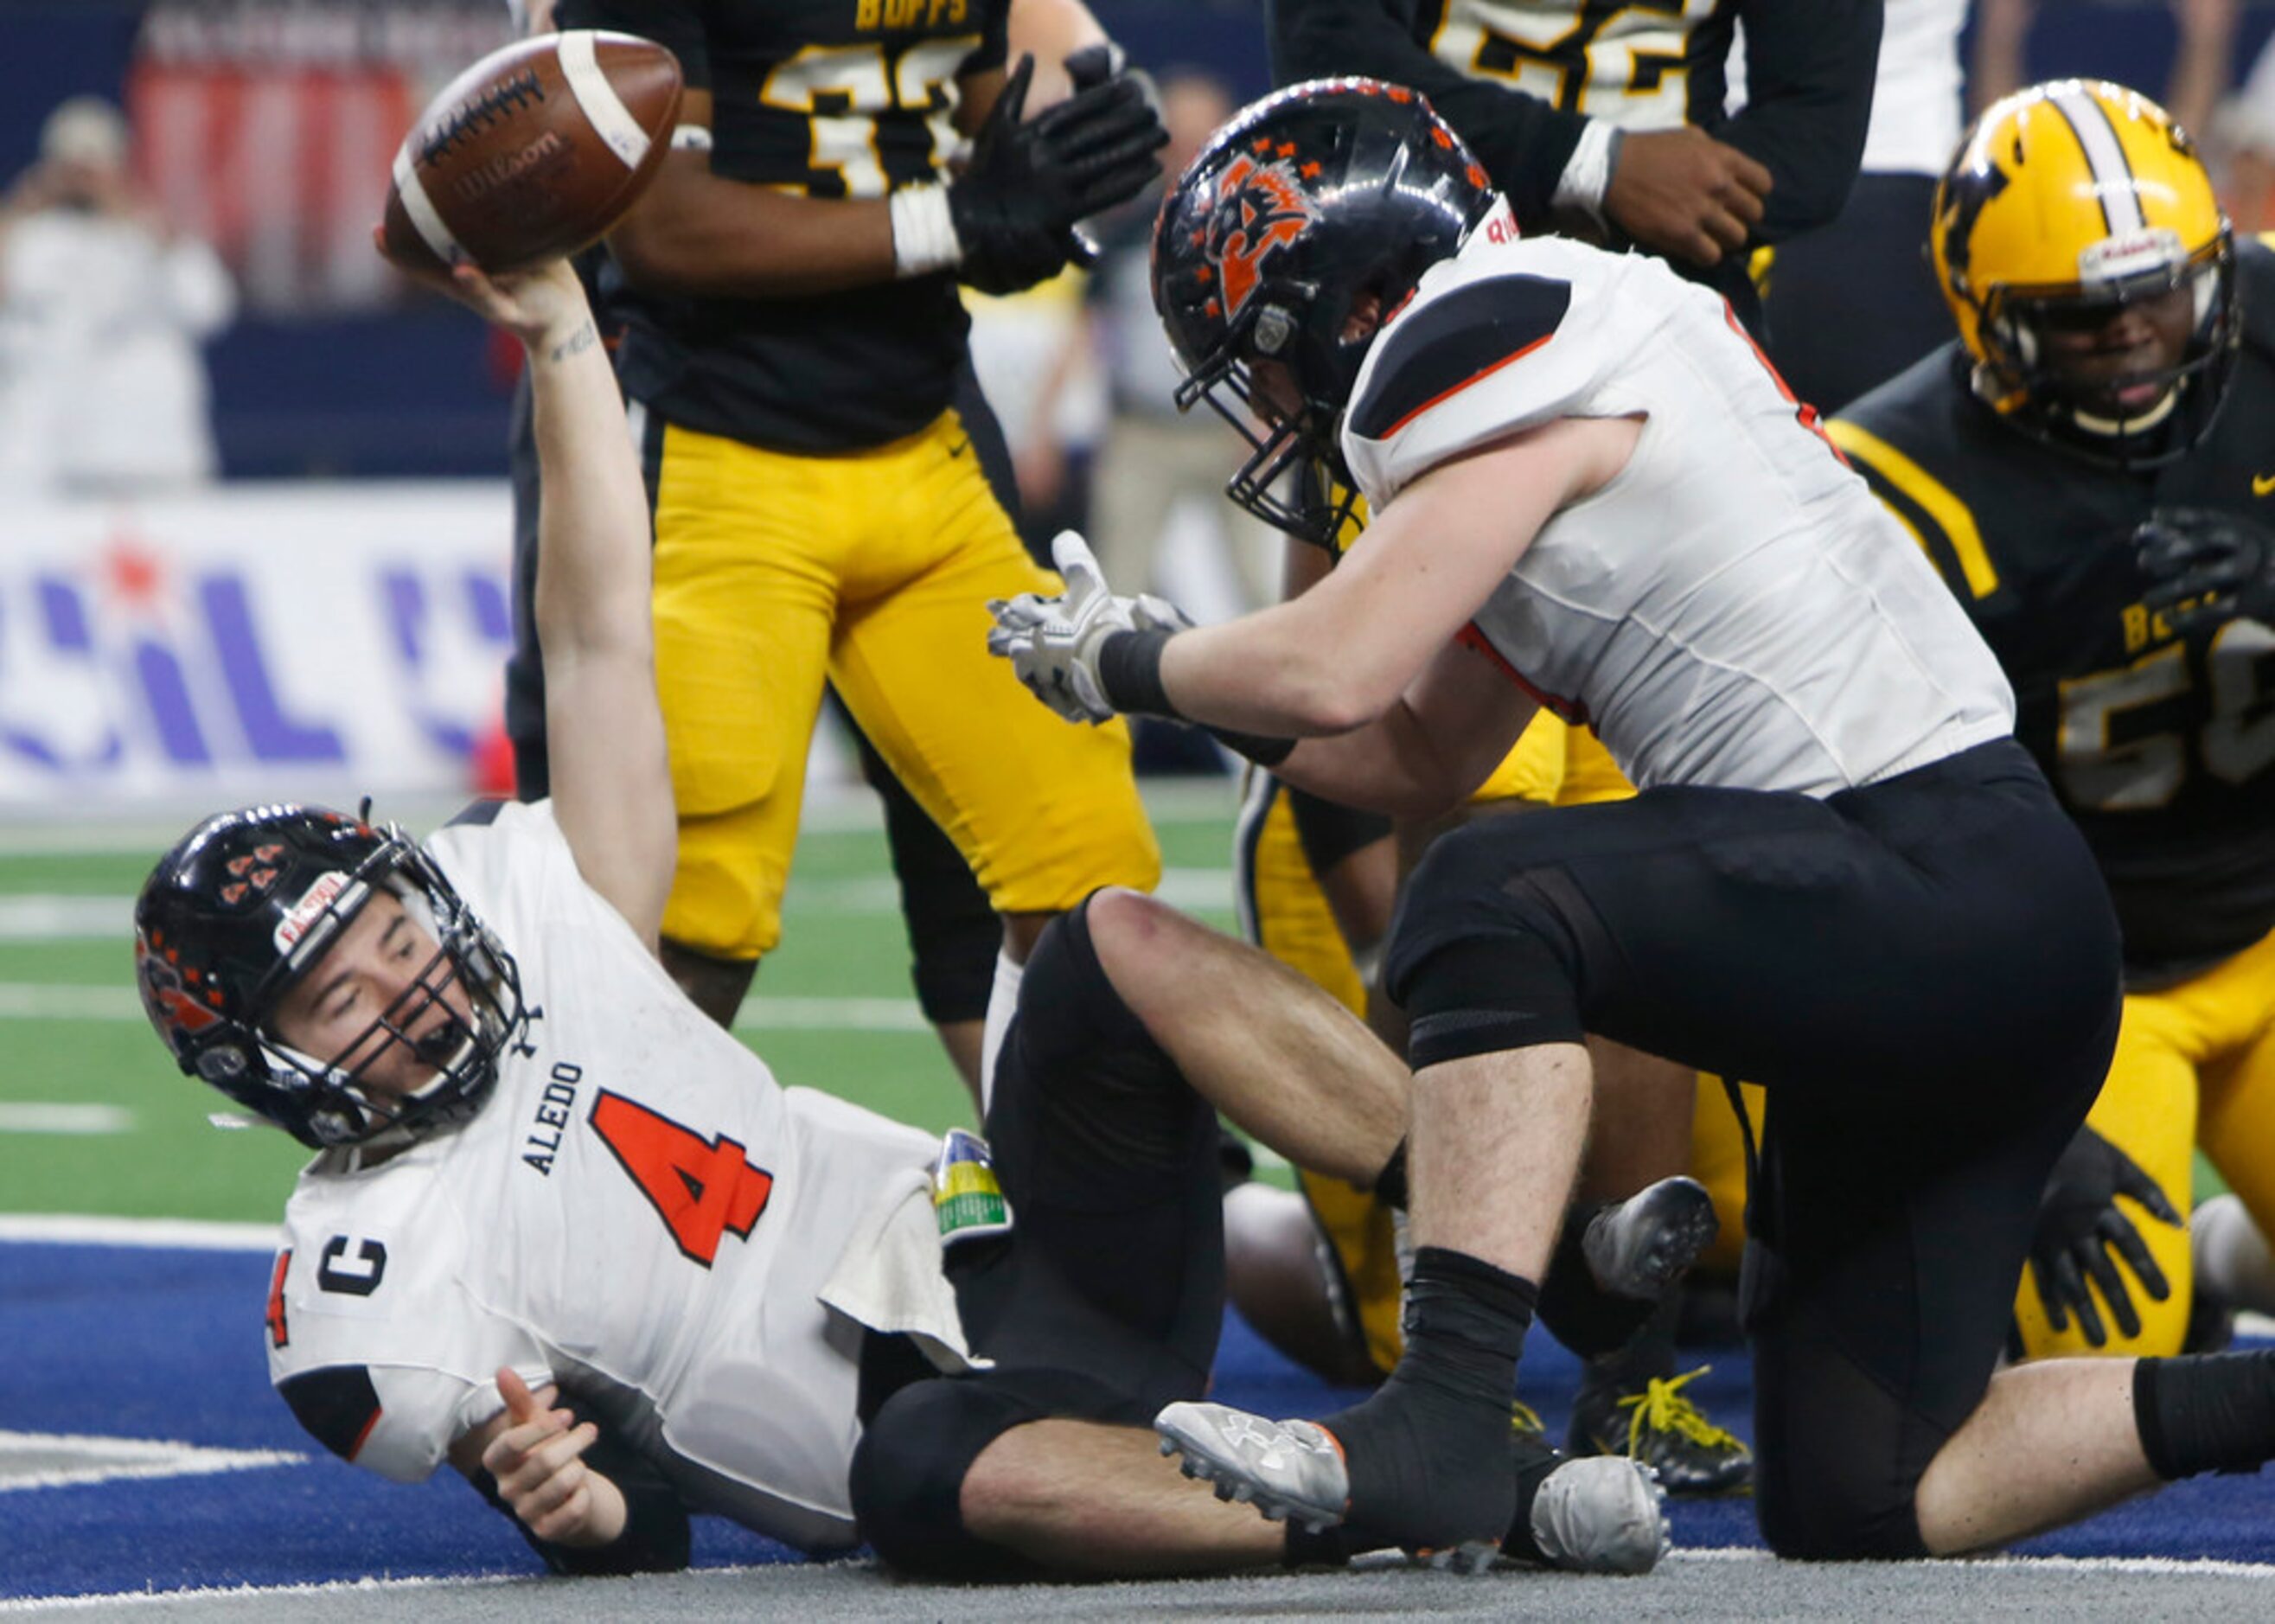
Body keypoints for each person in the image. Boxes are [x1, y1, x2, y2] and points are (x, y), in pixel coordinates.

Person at [130, 253, 1671, 1582]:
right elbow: (632, 1518)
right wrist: (579, 1508)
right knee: (917, 1466)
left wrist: (561, 336)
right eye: (337, 998)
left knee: (1105, 932)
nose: (406, 987)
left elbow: (599, 632)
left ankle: (1530, 1251)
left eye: (392, 936)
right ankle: (1450, 1498)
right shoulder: (371, 1275)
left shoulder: (541, 916)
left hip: (1037, 1243)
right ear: (271, 1066)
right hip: (967, 1425)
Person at [990, 78, 2275, 1563]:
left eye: (1257, 366)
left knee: (1485, 892)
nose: (1268, 417)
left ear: (1333, 306)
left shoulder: (1479, 331)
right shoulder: (1568, 346)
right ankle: (2252, 1398)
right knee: (1859, 1497)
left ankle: (1449, 1410)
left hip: (1918, 865)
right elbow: (1407, 751)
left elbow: (1332, 673)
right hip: (1983, 925)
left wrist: (1125, 660)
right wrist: (1173, 674)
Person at [545, 0, 1167, 1082]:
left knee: (1093, 881)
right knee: (688, 924)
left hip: (928, 456)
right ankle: (567, 1232)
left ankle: (1115, 1234)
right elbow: (665, 228)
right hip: (724, 459)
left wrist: (1037, 201)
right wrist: (955, 220)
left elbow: (976, 163)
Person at [1829, 80, 2275, 1363]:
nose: (2138, 336)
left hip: (2265, 918)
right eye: (2084, 319)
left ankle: (2233, 1253)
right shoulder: (1895, 481)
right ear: (1988, 318)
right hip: (2082, 990)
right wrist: (2013, 1111)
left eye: (2160, 293)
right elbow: (1865, 860)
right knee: (2093, 1361)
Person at [1266, 0, 1880, 336]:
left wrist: (1645, 192)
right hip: (1418, 264)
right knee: (1347, 512)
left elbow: (1813, 140)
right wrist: (1588, 167)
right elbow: (1330, 61)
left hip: (1661, 290)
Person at [0, 95, 235, 496]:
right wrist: (18, 210)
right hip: (60, 458)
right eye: (72, 167)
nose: (84, 178)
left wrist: (143, 218)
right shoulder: (30, 241)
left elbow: (211, 306)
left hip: (158, 452)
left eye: (95, 165)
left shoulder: (155, 237)